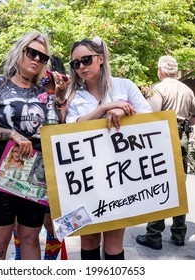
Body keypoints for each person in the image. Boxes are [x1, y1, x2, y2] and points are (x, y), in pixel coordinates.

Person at [0, 31, 66, 260]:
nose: (36, 59)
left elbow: (57, 130)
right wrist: (11, 133)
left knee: (31, 237)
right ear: (19, 52)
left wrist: (61, 98)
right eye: (32, 52)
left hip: (36, 167)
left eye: (43, 57)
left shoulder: (46, 93)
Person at [65, 37, 152, 260]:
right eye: (75, 63)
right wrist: (105, 107)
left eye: (86, 60)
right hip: (85, 178)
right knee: (89, 239)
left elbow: (152, 119)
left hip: (120, 176)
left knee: (114, 243)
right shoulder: (72, 94)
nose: (81, 67)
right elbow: (69, 128)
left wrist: (126, 111)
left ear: (100, 59)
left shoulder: (125, 85)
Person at [136, 55, 195, 250]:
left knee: (159, 183)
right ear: (176, 71)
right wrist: (186, 125)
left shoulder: (158, 89)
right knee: (178, 185)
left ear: (160, 70)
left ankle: (154, 234)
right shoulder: (187, 90)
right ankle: (178, 233)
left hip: (161, 138)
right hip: (181, 137)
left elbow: (150, 117)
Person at [12, 55, 68, 260]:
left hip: (56, 166)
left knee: (53, 220)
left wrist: (60, 99)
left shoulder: (66, 97)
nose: (48, 81)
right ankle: (20, 256)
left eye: (52, 77)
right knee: (20, 218)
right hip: (28, 162)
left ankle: (51, 262)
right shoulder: (25, 92)